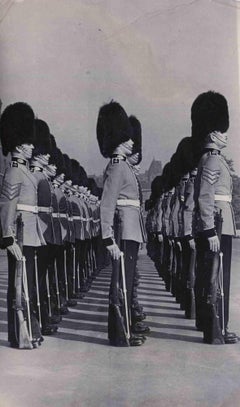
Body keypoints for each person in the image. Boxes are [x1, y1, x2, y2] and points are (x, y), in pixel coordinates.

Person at [97, 101, 148, 346]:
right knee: (120, 283)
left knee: (126, 282)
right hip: (121, 231)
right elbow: (107, 204)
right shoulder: (117, 167)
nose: (131, 142)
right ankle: (119, 333)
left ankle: (125, 329)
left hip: (130, 230)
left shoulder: (124, 165)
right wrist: (108, 238)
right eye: (126, 138)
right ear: (117, 138)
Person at [192, 91, 238, 344]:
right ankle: (216, 326)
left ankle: (216, 325)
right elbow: (205, 197)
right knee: (217, 279)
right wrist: (210, 231)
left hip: (222, 223)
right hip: (218, 227)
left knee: (215, 277)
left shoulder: (213, 160)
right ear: (212, 134)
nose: (226, 135)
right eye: (222, 131)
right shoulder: (211, 162)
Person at [0, 102, 45, 348]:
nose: (31, 146)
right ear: (18, 144)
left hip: (29, 233)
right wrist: (8, 238)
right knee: (17, 286)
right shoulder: (14, 171)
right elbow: (8, 205)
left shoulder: (23, 170)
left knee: (27, 284)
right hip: (18, 235)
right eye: (28, 143)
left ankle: (27, 328)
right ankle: (18, 334)